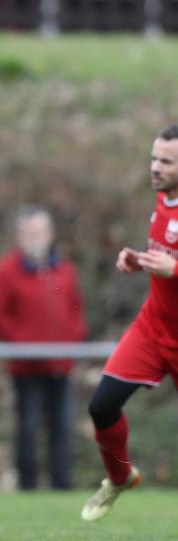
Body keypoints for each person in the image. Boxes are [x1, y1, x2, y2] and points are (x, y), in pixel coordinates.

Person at [81, 125, 178, 521]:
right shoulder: (162, 199)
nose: (155, 167)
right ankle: (119, 477)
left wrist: (175, 269)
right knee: (102, 406)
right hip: (153, 330)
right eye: (154, 158)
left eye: (166, 161)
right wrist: (140, 262)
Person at [0, 206, 87, 491]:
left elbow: (75, 308)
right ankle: (27, 487)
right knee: (28, 428)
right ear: (19, 236)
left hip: (61, 364)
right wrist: (22, 343)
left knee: (62, 426)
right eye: (30, 232)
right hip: (26, 367)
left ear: (50, 234)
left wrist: (74, 340)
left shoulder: (64, 270)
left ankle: (61, 486)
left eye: (40, 232)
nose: (36, 237)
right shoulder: (6, 271)